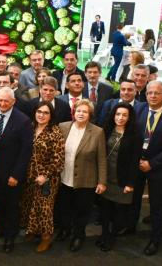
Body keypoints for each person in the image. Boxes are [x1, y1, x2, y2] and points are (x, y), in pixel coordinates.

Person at [130, 81, 162, 256]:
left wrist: (151, 163)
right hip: (137, 164)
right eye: (149, 93)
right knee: (133, 199)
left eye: (157, 93)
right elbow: (132, 136)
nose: (152, 96)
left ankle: (155, 239)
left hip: (159, 168)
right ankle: (130, 228)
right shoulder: (138, 110)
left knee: (157, 206)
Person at [0, 87, 33, 252]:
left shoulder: (23, 121)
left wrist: (16, 174)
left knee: (12, 205)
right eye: (0, 100)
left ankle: (10, 237)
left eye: (6, 101)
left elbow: (26, 151)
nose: (2, 103)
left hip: (12, 173)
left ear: (13, 101)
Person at [56, 99, 107, 252]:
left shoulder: (97, 132)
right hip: (64, 178)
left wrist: (102, 182)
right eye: (78, 110)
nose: (81, 113)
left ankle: (78, 236)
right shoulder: (63, 127)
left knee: (81, 211)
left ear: (90, 114)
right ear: (73, 112)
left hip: (86, 180)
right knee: (64, 208)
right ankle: (65, 229)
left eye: (84, 111)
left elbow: (102, 159)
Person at [97, 103, 142, 252]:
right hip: (105, 178)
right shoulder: (106, 129)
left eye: (124, 115)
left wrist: (130, 183)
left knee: (118, 212)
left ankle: (111, 237)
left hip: (121, 180)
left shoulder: (135, 134)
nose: (120, 118)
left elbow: (134, 161)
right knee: (104, 210)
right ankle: (104, 234)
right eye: (118, 114)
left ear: (129, 118)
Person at [21, 101, 65, 253]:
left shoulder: (55, 132)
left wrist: (45, 175)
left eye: (46, 113)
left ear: (51, 115)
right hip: (29, 175)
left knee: (44, 208)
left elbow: (58, 159)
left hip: (47, 179)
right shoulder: (30, 127)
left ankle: (46, 238)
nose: (41, 115)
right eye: (39, 111)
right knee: (30, 204)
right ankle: (33, 231)